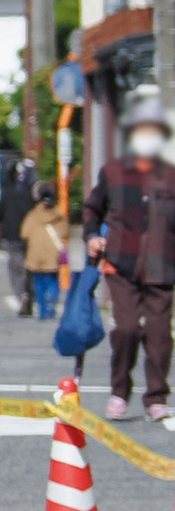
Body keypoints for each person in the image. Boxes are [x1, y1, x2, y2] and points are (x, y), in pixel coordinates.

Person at [82, 98, 175, 421]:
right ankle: (119, 391)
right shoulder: (114, 171)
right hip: (121, 263)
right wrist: (92, 234)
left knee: (160, 334)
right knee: (125, 330)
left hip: (162, 264)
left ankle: (155, 397)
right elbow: (92, 207)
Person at [23, 185, 68, 321]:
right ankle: (51, 305)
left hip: (36, 254)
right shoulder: (59, 216)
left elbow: (24, 233)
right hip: (52, 254)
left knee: (38, 282)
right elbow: (65, 233)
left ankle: (42, 310)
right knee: (52, 280)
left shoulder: (33, 215)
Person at [0, 161, 36, 315]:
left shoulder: (7, 192)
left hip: (12, 234)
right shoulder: (30, 194)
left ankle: (22, 295)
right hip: (30, 235)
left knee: (15, 268)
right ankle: (29, 294)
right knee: (30, 267)